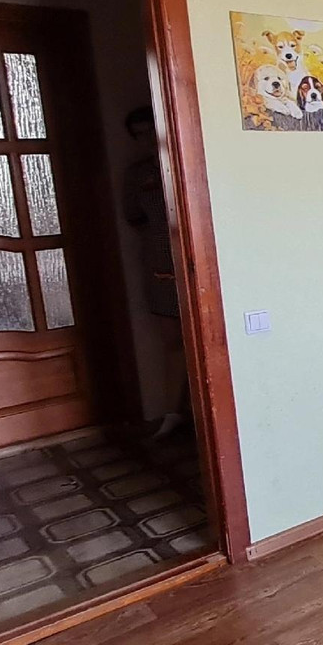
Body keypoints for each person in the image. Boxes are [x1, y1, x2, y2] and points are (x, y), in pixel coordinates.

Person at [121, 107, 189, 439]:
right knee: (173, 341)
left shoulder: (188, 159)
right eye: (140, 134)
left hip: (199, 262)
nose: (148, 138)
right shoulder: (138, 175)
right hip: (161, 264)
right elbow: (135, 218)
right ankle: (173, 413)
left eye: (151, 129)